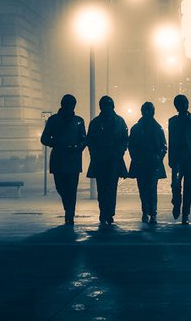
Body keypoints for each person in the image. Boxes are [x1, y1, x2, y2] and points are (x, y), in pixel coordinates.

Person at [39, 94, 86, 225]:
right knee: (61, 187)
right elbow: (44, 138)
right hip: (58, 159)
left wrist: (76, 147)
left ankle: (70, 213)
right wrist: (56, 143)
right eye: (68, 104)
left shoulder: (79, 121)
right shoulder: (53, 120)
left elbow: (84, 139)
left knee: (72, 188)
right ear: (63, 104)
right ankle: (68, 207)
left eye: (72, 104)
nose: (70, 107)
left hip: (73, 159)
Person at [86, 95, 129, 225]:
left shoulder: (119, 121)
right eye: (104, 105)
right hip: (101, 160)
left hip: (113, 160)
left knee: (110, 187)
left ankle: (108, 212)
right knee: (103, 188)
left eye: (107, 105)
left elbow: (125, 139)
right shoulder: (97, 123)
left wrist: (120, 151)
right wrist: (94, 154)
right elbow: (90, 141)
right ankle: (105, 212)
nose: (106, 108)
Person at [167, 93, 191, 224]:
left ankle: (185, 214)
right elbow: (171, 141)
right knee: (176, 185)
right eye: (180, 103)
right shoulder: (172, 122)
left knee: (188, 187)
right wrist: (171, 160)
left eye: (185, 102)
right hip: (178, 159)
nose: (184, 105)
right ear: (176, 106)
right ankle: (177, 203)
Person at [127, 101, 167, 223]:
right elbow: (131, 145)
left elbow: (163, 146)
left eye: (149, 110)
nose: (148, 113)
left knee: (150, 188)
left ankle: (151, 212)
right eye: (146, 110)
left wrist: (157, 158)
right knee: (144, 189)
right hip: (144, 162)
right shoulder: (140, 128)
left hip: (150, 162)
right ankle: (147, 211)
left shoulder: (154, 128)